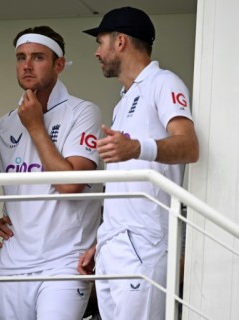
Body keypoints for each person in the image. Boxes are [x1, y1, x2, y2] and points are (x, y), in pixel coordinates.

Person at [77, 7, 199, 320]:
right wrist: (103, 240)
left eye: (100, 42)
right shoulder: (124, 101)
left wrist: (135, 147)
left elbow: (189, 145)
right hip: (114, 246)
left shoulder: (164, 82)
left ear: (120, 42)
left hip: (145, 245)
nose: (96, 52)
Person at [0, 25, 102, 320]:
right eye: (21, 57)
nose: (26, 65)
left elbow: (70, 185)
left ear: (59, 64)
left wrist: (36, 126)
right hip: (11, 264)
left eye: (38, 57)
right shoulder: (3, 125)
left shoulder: (83, 112)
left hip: (65, 262)